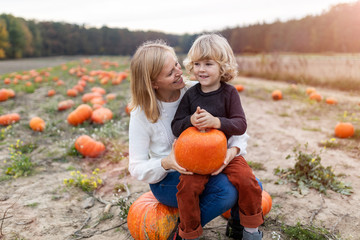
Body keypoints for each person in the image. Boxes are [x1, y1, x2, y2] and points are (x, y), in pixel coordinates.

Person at [128, 39, 255, 240]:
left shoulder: (196, 90)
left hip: (206, 163)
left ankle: (240, 228)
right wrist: (166, 162)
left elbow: (238, 129)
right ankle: (183, 233)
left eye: (177, 64)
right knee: (227, 193)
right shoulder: (141, 115)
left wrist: (232, 152)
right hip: (170, 178)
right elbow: (135, 167)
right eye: (170, 73)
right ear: (153, 82)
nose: (180, 72)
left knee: (252, 184)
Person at [171, 33, 263, 240]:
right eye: (197, 63)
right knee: (186, 189)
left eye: (208, 64)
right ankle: (189, 233)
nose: (201, 69)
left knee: (248, 181)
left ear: (223, 66)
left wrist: (217, 122)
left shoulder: (230, 93)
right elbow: (176, 126)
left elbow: (240, 125)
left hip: (226, 153)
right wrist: (190, 121)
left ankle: (249, 229)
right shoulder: (191, 95)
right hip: (196, 157)